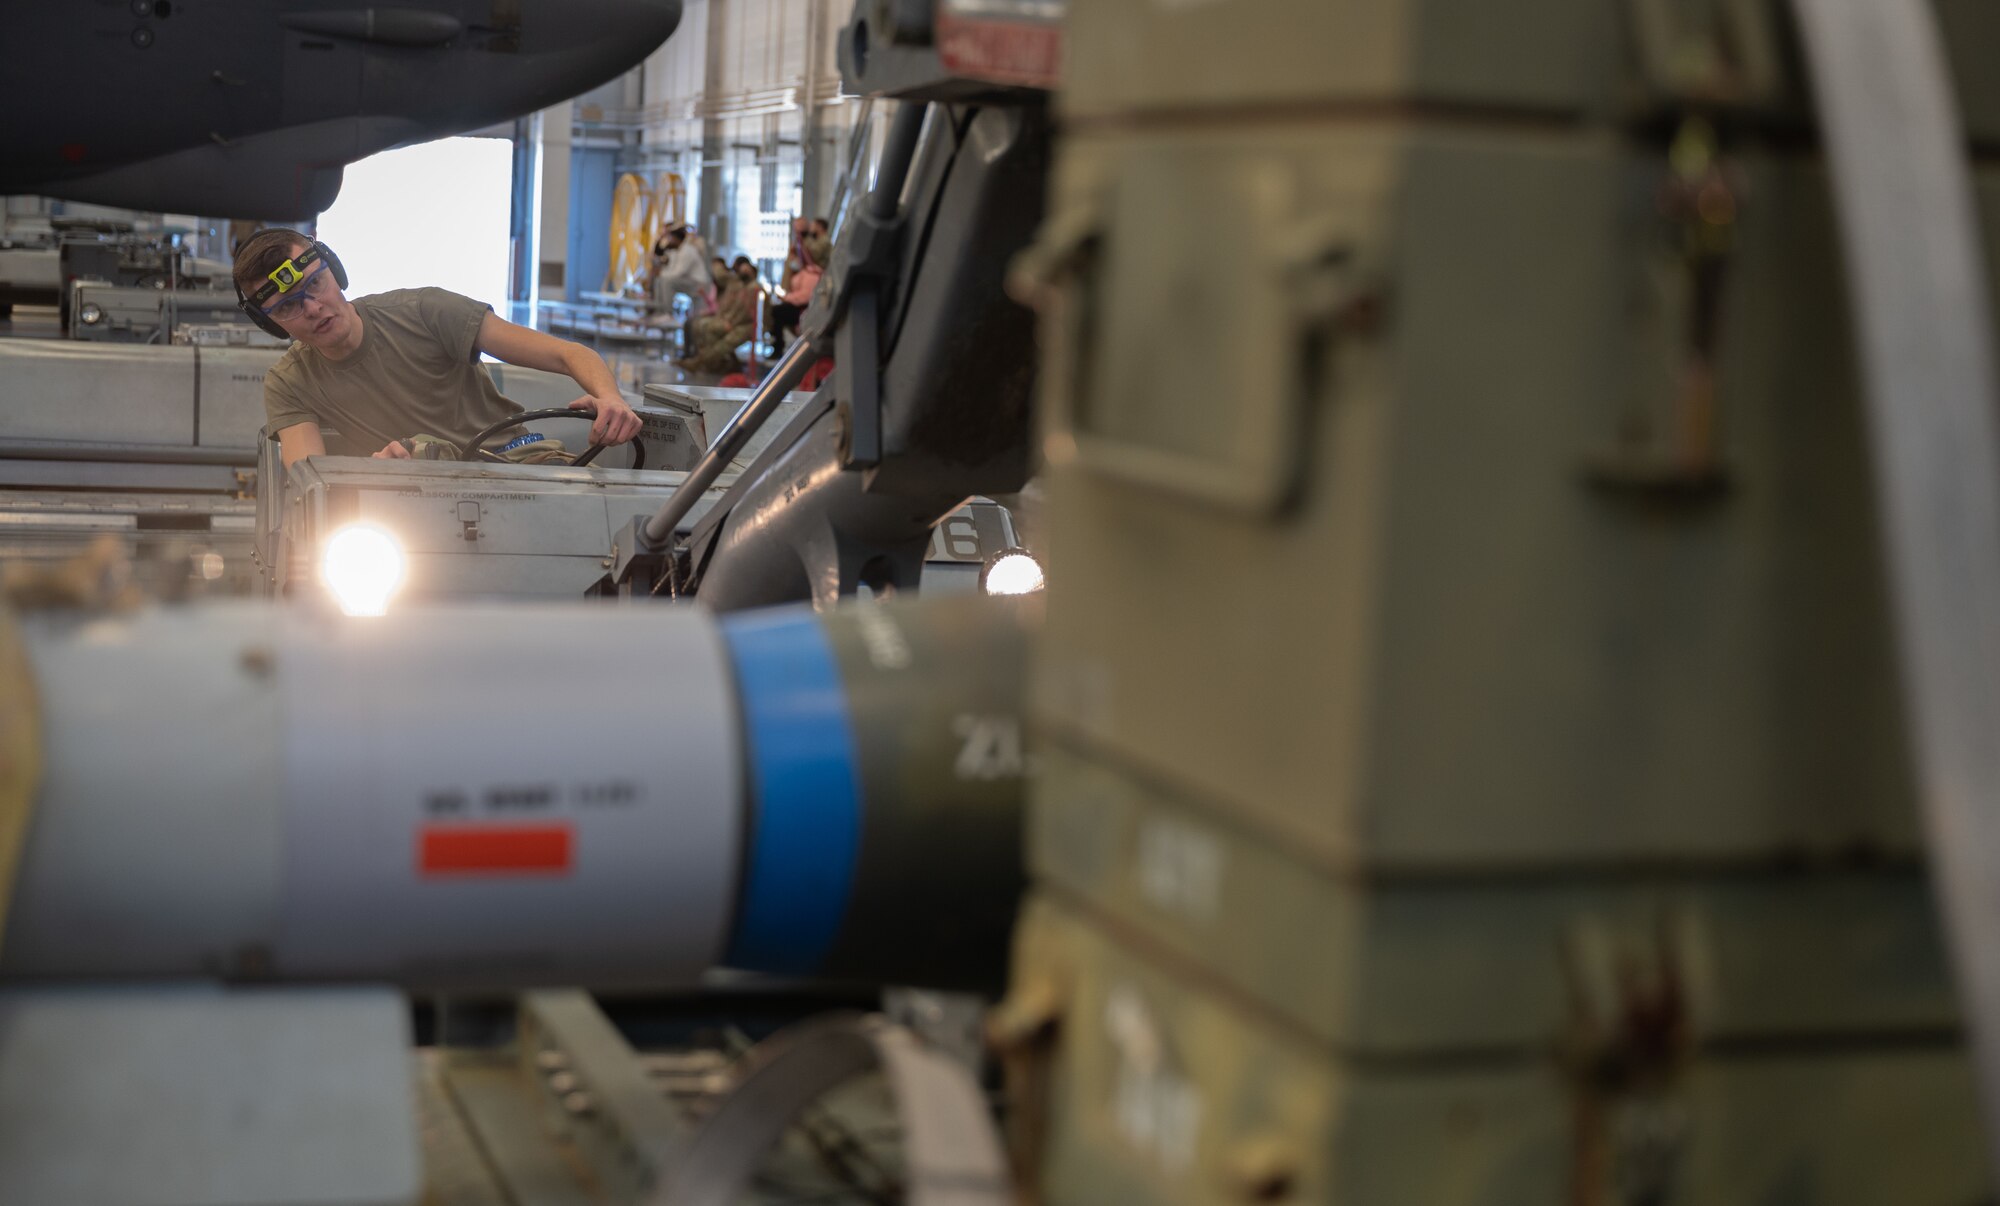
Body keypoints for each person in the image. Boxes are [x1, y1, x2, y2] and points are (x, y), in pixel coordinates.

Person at [233, 228, 641, 469]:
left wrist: (610, 399)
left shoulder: (425, 311)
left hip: (519, 463)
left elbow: (569, 354)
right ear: (272, 324)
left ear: (336, 274)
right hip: (421, 496)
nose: (314, 308)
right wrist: (372, 475)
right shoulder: (290, 382)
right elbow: (310, 477)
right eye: (289, 306)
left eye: (315, 285)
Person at [678, 256, 763, 376]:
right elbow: (721, 278)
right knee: (703, 328)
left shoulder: (754, 288)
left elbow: (746, 312)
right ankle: (714, 364)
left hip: (746, 326)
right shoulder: (737, 284)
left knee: (721, 342)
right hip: (733, 321)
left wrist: (730, 323)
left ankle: (700, 363)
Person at [768, 217, 831, 356]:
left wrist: (787, 297)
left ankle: (778, 346)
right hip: (800, 296)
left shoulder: (814, 269)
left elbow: (804, 295)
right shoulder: (805, 272)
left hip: (804, 302)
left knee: (777, 312)